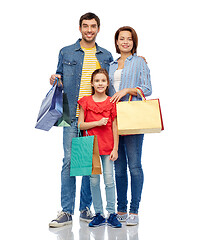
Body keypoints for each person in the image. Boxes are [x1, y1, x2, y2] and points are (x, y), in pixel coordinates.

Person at [48, 13, 113, 228]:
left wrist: (137, 58)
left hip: (94, 116)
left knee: (88, 163)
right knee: (69, 161)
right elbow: (59, 76)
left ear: (98, 29)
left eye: (93, 26)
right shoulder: (66, 52)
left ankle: (85, 208)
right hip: (70, 113)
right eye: (85, 26)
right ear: (79, 28)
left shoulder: (105, 55)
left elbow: (111, 82)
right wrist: (55, 78)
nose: (89, 30)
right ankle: (66, 211)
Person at [109, 26, 152, 226]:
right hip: (114, 120)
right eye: (121, 39)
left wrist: (128, 89)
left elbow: (147, 89)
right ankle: (121, 209)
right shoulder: (110, 65)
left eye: (129, 39)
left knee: (134, 166)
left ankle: (134, 210)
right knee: (118, 168)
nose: (125, 42)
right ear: (116, 42)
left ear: (134, 42)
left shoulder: (140, 62)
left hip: (133, 118)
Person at [78, 68, 121, 228]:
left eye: (103, 80)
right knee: (94, 182)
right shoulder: (86, 101)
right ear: (92, 83)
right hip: (91, 148)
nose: (100, 83)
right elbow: (81, 124)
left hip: (108, 147)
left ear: (108, 83)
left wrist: (115, 148)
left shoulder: (111, 102)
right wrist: (97, 123)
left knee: (109, 181)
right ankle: (98, 214)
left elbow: (115, 127)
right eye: (97, 81)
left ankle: (112, 213)